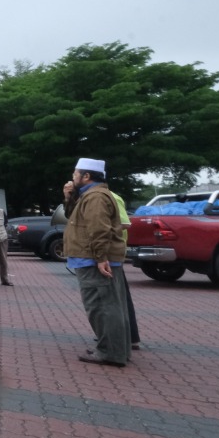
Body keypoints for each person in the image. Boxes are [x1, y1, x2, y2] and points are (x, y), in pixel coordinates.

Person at [63, 157, 130, 367]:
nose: (72, 177)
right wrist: (69, 196)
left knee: (101, 307)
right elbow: (74, 217)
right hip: (93, 258)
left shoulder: (96, 197)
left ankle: (110, 352)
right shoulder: (90, 195)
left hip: (93, 260)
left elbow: (98, 229)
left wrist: (101, 258)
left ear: (86, 176)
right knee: (110, 305)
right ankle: (116, 349)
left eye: (75, 173)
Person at [111, 190, 140, 349]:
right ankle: (124, 336)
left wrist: (100, 236)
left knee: (117, 298)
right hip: (110, 253)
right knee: (117, 297)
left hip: (112, 254)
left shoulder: (111, 197)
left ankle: (128, 337)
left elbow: (124, 223)